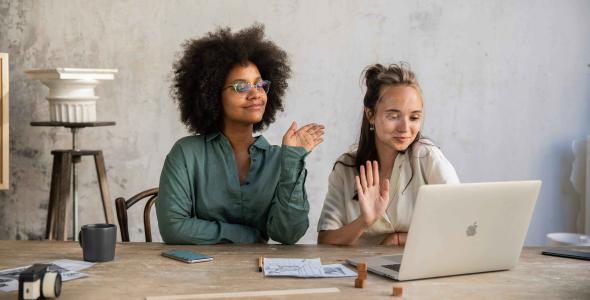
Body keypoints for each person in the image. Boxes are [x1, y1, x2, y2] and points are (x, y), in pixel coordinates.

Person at [157, 24, 324, 245]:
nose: (256, 94)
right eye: (240, 87)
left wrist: (293, 159)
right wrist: (248, 236)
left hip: (261, 274)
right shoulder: (187, 154)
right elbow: (173, 228)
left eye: (260, 84)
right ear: (212, 95)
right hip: (198, 275)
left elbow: (288, 234)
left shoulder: (279, 159)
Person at [317, 63, 458, 246]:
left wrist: (400, 239)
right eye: (393, 116)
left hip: (420, 272)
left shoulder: (428, 159)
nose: (405, 128)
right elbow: (326, 241)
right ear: (370, 114)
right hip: (360, 271)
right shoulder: (346, 167)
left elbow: (459, 226)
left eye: (414, 117)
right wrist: (364, 221)